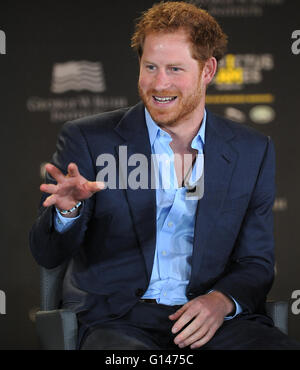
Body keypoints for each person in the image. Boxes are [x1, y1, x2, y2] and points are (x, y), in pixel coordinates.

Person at [30, 1, 300, 350]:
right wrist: (67, 212)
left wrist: (222, 301)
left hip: (214, 321)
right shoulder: (89, 139)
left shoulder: (253, 150)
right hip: (118, 322)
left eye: (175, 69)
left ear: (208, 70)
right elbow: (48, 254)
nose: (159, 84)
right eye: (150, 67)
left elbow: (256, 261)